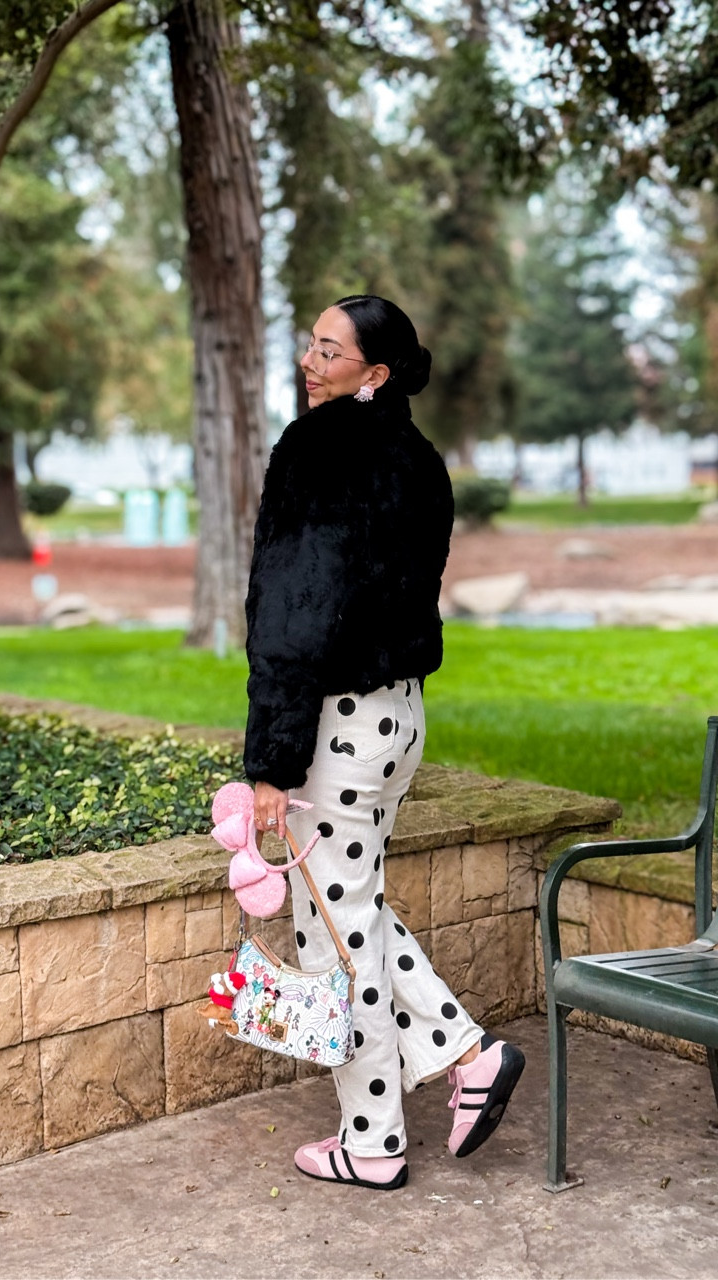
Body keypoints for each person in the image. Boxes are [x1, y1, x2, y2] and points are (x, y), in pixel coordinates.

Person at [243, 294, 525, 1190]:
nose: (308, 362)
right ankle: (461, 1054)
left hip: (333, 726)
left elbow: (292, 619)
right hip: (397, 720)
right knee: (353, 906)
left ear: (376, 374)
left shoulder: (315, 451)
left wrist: (270, 764)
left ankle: (372, 1142)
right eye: (310, 345)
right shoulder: (421, 461)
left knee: (333, 937)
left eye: (330, 352)